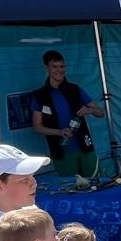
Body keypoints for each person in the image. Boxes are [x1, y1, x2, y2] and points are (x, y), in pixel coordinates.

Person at [31, 50, 104, 179]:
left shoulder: (75, 89)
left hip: (85, 147)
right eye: (55, 67)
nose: (59, 70)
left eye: (62, 66)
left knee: (95, 183)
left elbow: (101, 113)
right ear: (46, 68)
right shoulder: (40, 95)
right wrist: (59, 132)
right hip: (62, 151)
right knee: (71, 186)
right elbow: (37, 127)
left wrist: (90, 110)